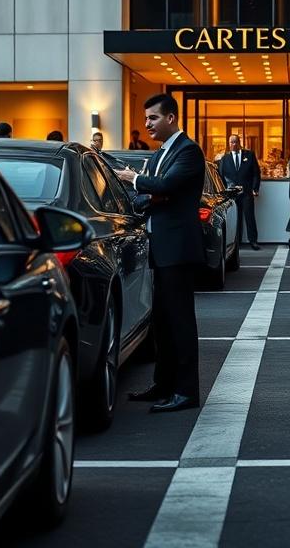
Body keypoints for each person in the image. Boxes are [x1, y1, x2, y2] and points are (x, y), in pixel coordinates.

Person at [113, 94, 205, 413]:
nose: (147, 124)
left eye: (152, 118)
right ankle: (163, 385)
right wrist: (151, 191)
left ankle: (186, 392)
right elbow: (151, 196)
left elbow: (165, 186)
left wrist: (134, 179)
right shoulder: (159, 153)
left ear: (171, 118)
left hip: (177, 250)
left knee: (180, 321)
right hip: (160, 247)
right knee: (162, 322)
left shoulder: (189, 151)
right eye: (146, 118)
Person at [218, 134, 261, 250]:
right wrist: (224, 193)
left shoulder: (249, 155)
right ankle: (237, 242)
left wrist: (255, 189)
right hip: (232, 195)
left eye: (235, 142)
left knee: (249, 217)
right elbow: (221, 177)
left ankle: (253, 241)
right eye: (231, 142)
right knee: (235, 218)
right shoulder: (224, 159)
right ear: (229, 144)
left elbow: (256, 173)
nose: (233, 144)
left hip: (247, 193)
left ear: (239, 142)